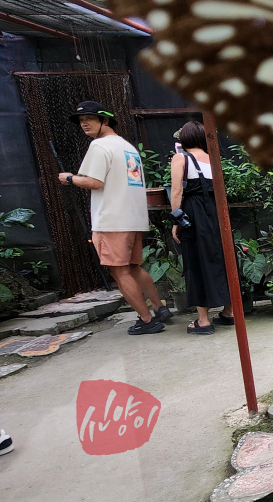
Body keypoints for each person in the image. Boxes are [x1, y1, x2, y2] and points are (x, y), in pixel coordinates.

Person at [59, 101, 173, 335]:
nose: (84, 124)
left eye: (89, 119)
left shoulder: (99, 146)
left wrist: (70, 178)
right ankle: (160, 307)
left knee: (119, 271)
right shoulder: (127, 147)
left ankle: (147, 319)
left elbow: (94, 181)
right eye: (81, 121)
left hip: (112, 219)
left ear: (105, 120)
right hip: (133, 217)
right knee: (133, 266)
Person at [169, 121, 233, 334]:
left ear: (184, 139)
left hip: (195, 214)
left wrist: (176, 219)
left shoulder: (181, 158)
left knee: (196, 260)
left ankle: (204, 321)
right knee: (223, 257)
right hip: (218, 213)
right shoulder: (214, 159)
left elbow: (176, 191)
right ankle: (229, 312)